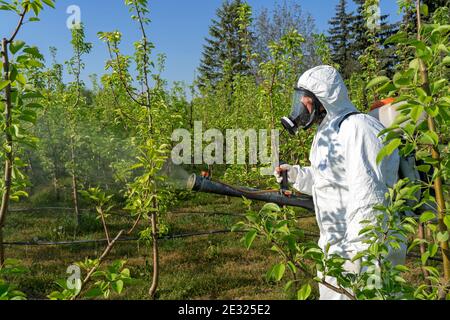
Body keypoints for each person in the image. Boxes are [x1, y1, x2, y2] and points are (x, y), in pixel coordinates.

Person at [275, 65, 407, 300]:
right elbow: (329, 179)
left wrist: (361, 258)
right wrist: (296, 175)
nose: (301, 105)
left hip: (362, 250)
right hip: (334, 247)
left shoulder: (358, 128)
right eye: (300, 98)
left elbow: (369, 196)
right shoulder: (327, 132)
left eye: (306, 98)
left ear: (323, 98)